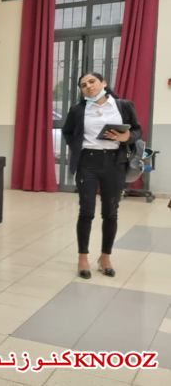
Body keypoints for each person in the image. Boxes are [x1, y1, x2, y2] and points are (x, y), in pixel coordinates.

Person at [61, 72, 141, 279]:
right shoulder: (78, 110)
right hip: (87, 162)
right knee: (86, 211)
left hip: (115, 163)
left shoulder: (123, 106)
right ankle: (83, 258)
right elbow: (67, 132)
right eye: (83, 85)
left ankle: (105, 257)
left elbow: (137, 131)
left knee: (111, 212)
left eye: (92, 81)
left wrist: (127, 137)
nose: (88, 86)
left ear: (103, 83)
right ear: (81, 90)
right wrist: (77, 146)